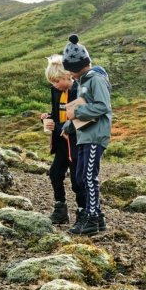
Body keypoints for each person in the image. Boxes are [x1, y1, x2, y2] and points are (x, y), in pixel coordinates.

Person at [61, 34, 112, 236]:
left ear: (77, 66)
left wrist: (76, 114)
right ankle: (97, 217)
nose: (70, 75)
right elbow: (84, 109)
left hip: (95, 136)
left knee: (89, 177)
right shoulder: (84, 82)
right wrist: (69, 126)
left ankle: (91, 218)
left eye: (71, 70)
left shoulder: (96, 79)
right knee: (82, 176)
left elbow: (102, 106)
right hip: (84, 136)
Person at [40, 55, 84, 224]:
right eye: (52, 82)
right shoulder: (57, 91)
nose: (54, 85)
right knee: (55, 173)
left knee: (77, 180)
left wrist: (57, 127)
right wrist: (46, 118)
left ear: (67, 76)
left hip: (75, 143)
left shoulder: (78, 91)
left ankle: (82, 212)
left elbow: (75, 122)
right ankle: (60, 210)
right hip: (61, 143)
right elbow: (58, 116)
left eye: (56, 81)